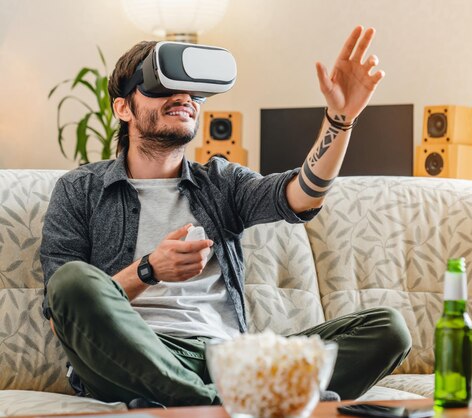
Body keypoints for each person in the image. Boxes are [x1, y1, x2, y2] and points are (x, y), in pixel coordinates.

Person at [40, 26, 411, 407]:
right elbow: (61, 315)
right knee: (70, 283)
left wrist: (340, 119)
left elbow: (303, 194)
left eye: (193, 89)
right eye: (163, 86)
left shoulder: (220, 182)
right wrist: (149, 269)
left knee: (387, 329)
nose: (184, 97)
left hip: (232, 359)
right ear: (123, 107)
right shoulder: (80, 189)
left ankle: (208, 400)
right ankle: (228, 403)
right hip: (139, 355)